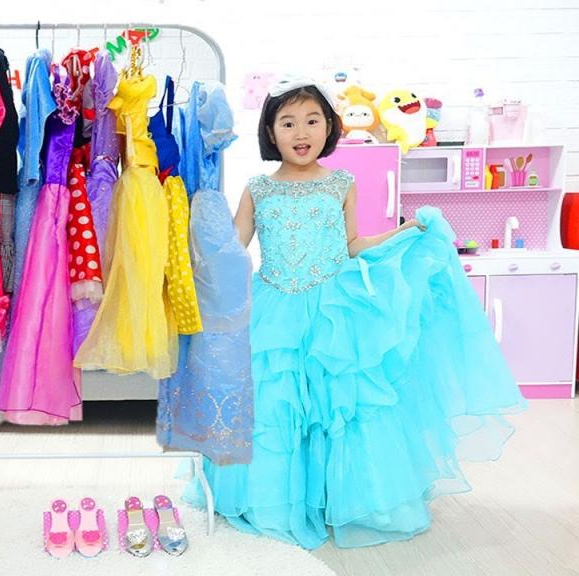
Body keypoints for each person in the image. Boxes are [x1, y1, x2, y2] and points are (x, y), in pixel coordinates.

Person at [186, 76, 526, 549]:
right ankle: (277, 496)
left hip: (333, 308)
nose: (301, 132)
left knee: (341, 407)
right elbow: (235, 247)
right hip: (274, 310)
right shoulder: (258, 188)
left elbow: (352, 245)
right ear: (270, 132)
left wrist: (403, 232)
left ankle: (338, 496)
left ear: (329, 127)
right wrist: (199, 248)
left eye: (312, 120)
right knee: (278, 405)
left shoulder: (341, 183)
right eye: (288, 123)